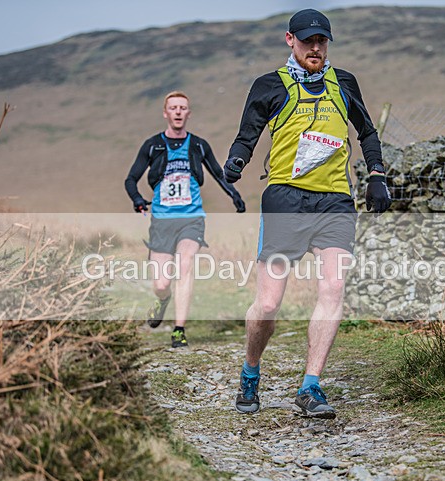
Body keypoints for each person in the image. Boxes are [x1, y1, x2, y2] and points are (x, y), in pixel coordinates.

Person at [222, 9, 391, 418]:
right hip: (285, 199)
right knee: (267, 305)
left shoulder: (344, 83)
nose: (315, 47)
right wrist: (235, 162)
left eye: (322, 41)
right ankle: (250, 370)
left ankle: (311, 386)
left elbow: (366, 131)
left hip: (334, 200)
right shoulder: (269, 85)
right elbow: (249, 132)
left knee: (332, 290)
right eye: (307, 40)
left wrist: (377, 174)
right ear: (290, 40)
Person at [125, 90, 245, 348]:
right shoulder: (152, 145)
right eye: (173, 108)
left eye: (183, 108)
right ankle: (162, 300)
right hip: (161, 221)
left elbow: (218, 174)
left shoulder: (199, 145)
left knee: (185, 265)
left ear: (188, 114)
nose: (178, 112)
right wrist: (137, 200)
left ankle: (179, 329)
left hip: (192, 219)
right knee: (161, 283)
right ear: (166, 113)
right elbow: (130, 179)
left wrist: (235, 196)